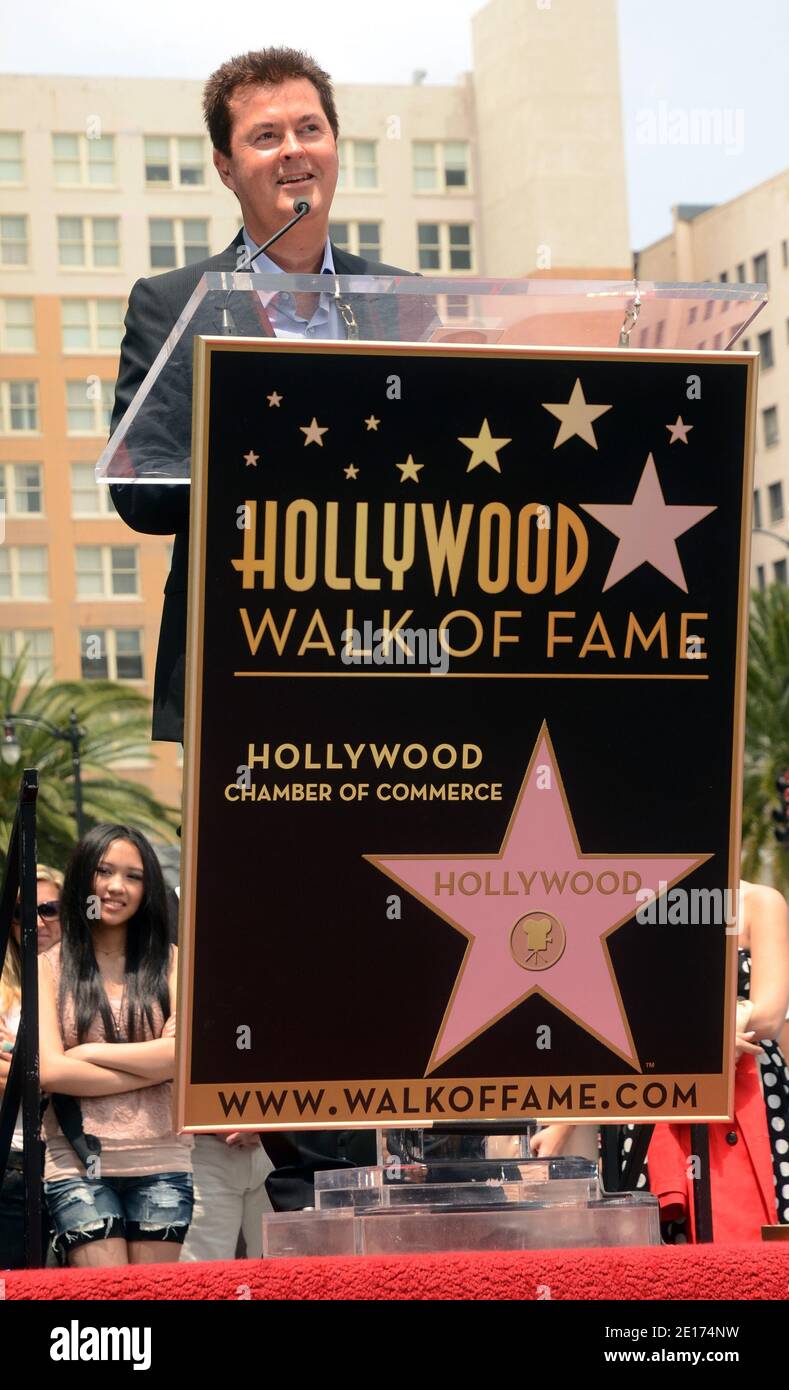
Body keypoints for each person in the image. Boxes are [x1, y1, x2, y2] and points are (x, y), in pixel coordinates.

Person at [108, 45, 437, 1209]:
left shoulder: (408, 299)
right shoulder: (175, 304)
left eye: (309, 128)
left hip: (397, 669)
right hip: (247, 671)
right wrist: (258, 468)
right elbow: (139, 490)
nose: (293, 151)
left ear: (334, 144)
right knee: (274, 920)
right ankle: (276, 1175)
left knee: (407, 906)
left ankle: (410, 1147)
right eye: (266, 137)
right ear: (225, 166)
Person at [533, 879, 789, 1243]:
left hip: (745, 1094)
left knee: (752, 1254)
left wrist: (687, 1038)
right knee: (656, 1251)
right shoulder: (628, 904)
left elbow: (768, 1016)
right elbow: (609, 1022)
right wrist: (568, 1120)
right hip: (652, 1099)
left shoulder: (759, 902)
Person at [38, 824, 194, 1265]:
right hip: (77, 1162)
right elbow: (52, 1072)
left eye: (133, 876)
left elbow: (183, 1056)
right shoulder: (48, 968)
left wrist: (88, 1055)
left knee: (151, 1301)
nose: (115, 887)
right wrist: (155, 1064)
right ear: (84, 875)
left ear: (147, 890)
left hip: (164, 1157)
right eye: (104, 871)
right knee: (108, 1300)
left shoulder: (174, 962)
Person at [0, 866, 63, 1268]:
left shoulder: (93, 984)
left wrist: (30, 1068)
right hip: (17, 1162)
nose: (37, 923)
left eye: (50, 909)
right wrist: (61, 1069)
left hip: (89, 1163)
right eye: (24, 913)